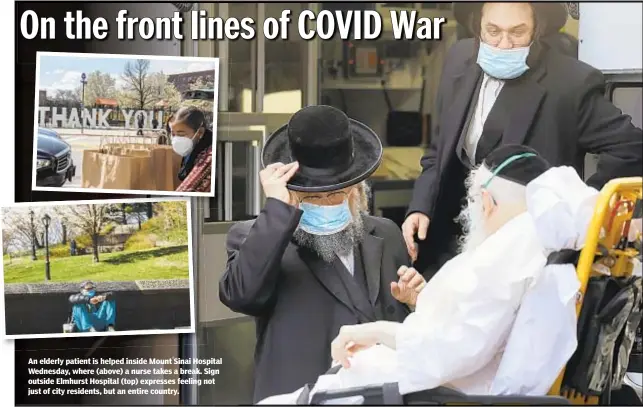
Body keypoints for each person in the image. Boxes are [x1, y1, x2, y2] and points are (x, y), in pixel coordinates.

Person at [258, 144, 588, 404]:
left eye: (471, 200)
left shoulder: (505, 257)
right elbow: (461, 334)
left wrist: (376, 334)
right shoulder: (529, 247)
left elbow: (447, 353)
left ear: (485, 201)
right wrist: (406, 313)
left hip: (415, 392)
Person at [403, 2, 643, 278]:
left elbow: (631, 149)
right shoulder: (459, 59)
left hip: (522, 260)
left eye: (517, 32)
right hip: (449, 248)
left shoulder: (569, 83)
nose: (504, 44)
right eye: (493, 31)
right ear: (477, 24)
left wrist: (579, 212)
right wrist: (421, 206)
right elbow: (439, 149)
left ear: (536, 30)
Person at [219, 105, 426, 402]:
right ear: (292, 191)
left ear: (356, 187)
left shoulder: (386, 233)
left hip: (382, 394)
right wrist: (277, 210)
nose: (327, 203)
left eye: (337, 193)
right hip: (302, 396)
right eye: (313, 197)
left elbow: (414, 333)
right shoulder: (257, 236)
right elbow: (240, 295)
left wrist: (416, 303)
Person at [168, 106, 213, 193]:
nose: (176, 139)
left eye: (181, 134)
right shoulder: (192, 148)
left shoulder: (208, 157)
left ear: (200, 132)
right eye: (173, 134)